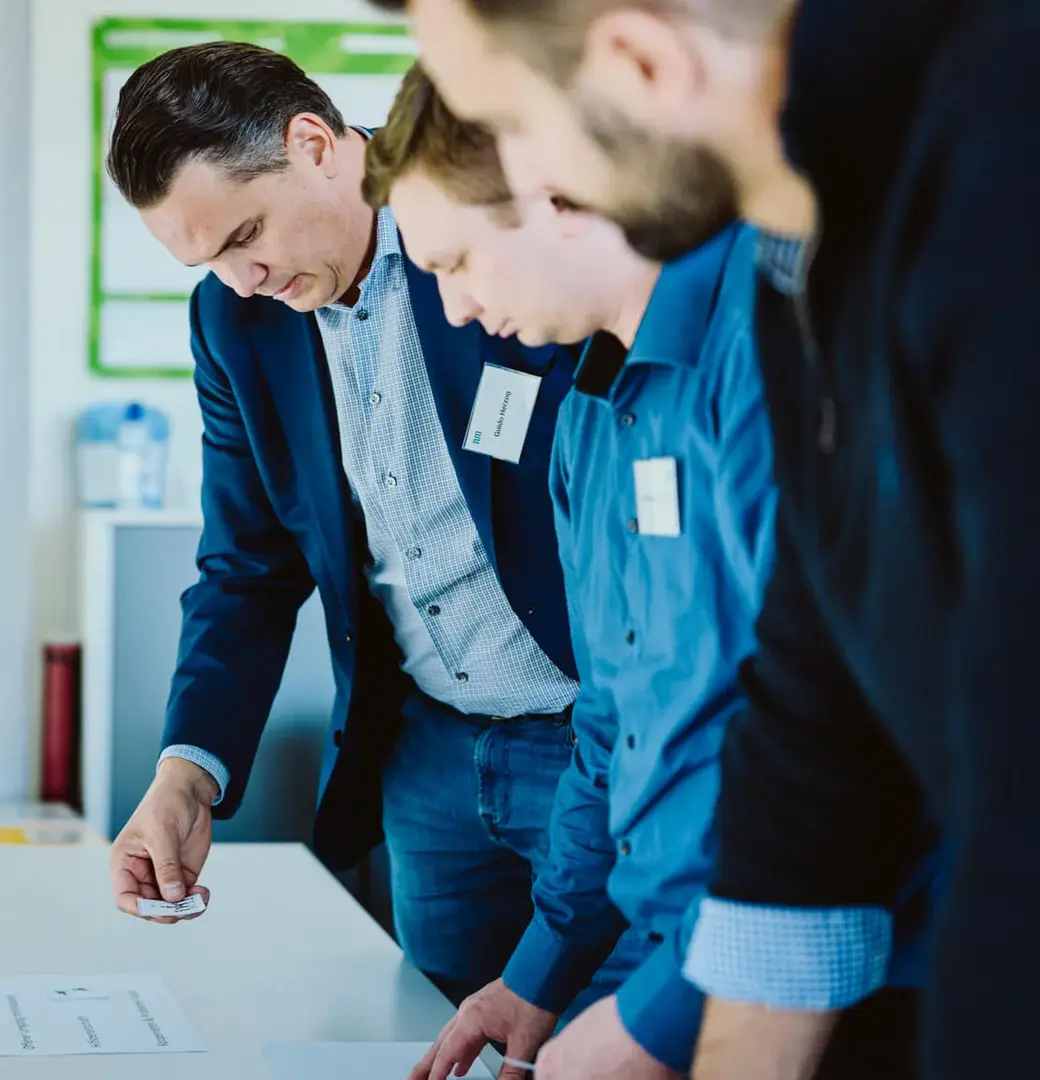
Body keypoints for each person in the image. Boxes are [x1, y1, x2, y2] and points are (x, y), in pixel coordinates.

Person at [382, 0, 1021, 1077]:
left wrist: (671, 1017)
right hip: (716, 945)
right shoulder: (634, 376)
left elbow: (928, 750)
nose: (451, 310)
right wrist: (563, 976)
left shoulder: (966, 193)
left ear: (638, 65)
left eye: (506, 116)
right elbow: (780, 708)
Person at [100, 40, 647, 1010]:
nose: (240, 279)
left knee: (612, 1034)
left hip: (595, 741)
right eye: (206, 261)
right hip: (427, 759)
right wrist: (187, 770)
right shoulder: (235, 323)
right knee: (441, 1033)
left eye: (243, 236)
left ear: (315, 144)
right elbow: (246, 567)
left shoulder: (484, 229)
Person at [366, 65, 774, 1080]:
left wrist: (668, 1016)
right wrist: (537, 976)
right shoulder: (586, 418)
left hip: (819, 977)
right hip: (680, 954)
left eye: (459, 262)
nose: (453, 312)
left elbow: (836, 734)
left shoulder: (772, 343)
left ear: (559, 187)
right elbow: (611, 720)